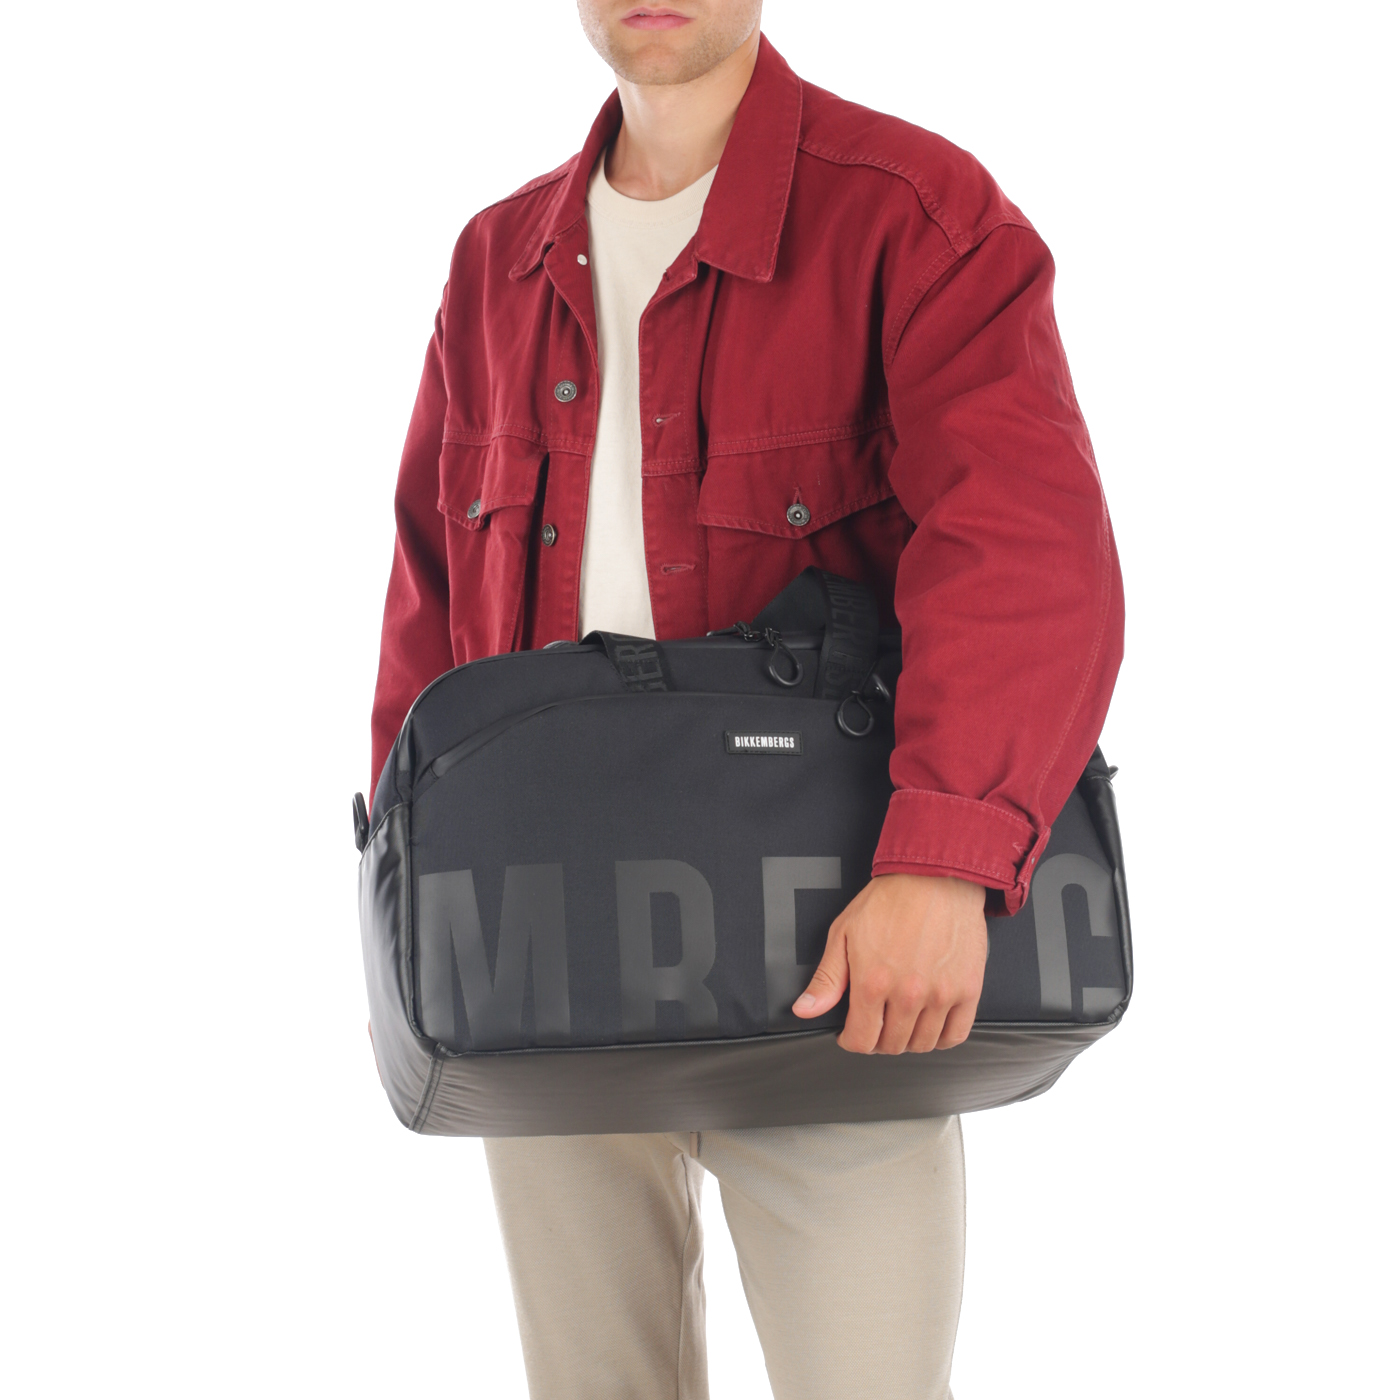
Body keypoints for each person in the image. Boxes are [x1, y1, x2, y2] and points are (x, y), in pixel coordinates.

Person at [369, 3, 1123, 1396]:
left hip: (835, 956)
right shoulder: (497, 259)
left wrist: (945, 863)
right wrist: (403, 893)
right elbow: (430, 598)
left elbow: (1025, 550)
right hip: (546, 946)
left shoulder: (913, 215)